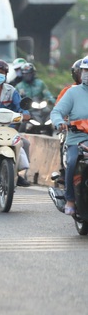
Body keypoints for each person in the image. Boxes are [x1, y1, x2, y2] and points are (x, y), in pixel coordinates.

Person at [51, 56, 88, 216]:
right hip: (77, 140)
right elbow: (57, 111)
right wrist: (60, 122)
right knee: (72, 163)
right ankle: (70, 199)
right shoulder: (73, 92)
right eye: (86, 71)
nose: (86, 74)